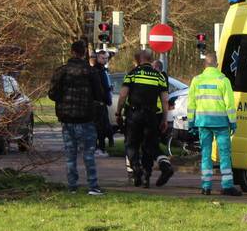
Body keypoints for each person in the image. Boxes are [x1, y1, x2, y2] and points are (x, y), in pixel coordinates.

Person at [48, 40, 108, 196]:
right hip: (86, 118)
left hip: (67, 118)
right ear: (83, 53)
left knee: (70, 154)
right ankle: (93, 186)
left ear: (71, 52)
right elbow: (99, 94)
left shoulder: (61, 71)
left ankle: (72, 186)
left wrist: (64, 99)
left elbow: (52, 94)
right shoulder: (90, 72)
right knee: (88, 154)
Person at [115, 49, 172, 188]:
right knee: (149, 145)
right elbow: (165, 101)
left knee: (131, 144)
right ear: (150, 59)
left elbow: (123, 95)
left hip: (134, 115)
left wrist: (118, 112)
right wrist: (164, 119)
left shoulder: (132, 74)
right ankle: (148, 176)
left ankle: (136, 168)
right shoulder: (159, 76)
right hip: (152, 115)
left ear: (138, 60)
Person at [187, 52, 241, 196]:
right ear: (217, 64)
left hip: (203, 123)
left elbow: (191, 104)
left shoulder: (196, 80)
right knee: (224, 155)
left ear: (205, 65)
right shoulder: (223, 80)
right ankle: (227, 185)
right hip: (221, 124)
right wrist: (233, 122)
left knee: (206, 154)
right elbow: (230, 105)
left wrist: (191, 123)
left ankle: (206, 187)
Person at [91, 50, 113, 154]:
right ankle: (98, 148)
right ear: (97, 58)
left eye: (106, 58)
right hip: (98, 103)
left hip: (103, 102)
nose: (105, 60)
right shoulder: (96, 70)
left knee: (103, 126)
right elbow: (99, 88)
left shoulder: (103, 70)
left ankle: (101, 147)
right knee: (99, 127)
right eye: (103, 58)